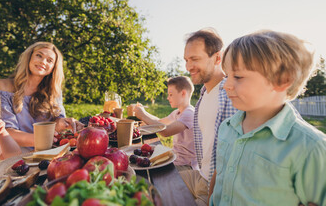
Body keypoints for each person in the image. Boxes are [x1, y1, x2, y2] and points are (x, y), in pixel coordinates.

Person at [209, 30, 326, 205]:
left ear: (282, 80)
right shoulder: (227, 127)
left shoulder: (310, 147)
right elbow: (220, 176)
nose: (226, 85)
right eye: (227, 76)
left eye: (238, 77)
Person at [180, 28, 237, 205]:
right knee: (148, 180)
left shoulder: (231, 95)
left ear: (218, 58)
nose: (188, 67)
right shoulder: (204, 94)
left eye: (195, 59)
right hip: (199, 175)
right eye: (187, 60)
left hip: (215, 189)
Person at [0, 42, 84, 151]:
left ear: (53, 67)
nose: (43, 62)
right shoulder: (2, 87)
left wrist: (62, 123)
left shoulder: (54, 91)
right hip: (16, 154)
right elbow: (6, 132)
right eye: (39, 55)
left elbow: (57, 123)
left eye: (49, 60)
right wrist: (45, 139)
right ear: (29, 57)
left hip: (49, 151)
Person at [134, 76, 198, 171]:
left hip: (186, 166)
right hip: (176, 160)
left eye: (171, 94)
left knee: (149, 171)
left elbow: (165, 131)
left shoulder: (189, 113)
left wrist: (143, 115)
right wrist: (144, 112)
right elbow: (160, 122)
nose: (168, 98)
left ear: (183, 93)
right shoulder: (177, 112)